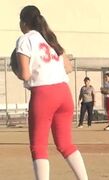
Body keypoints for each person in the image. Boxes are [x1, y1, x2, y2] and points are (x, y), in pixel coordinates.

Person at [14, 5, 88, 180]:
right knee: (65, 144)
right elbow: (68, 68)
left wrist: (15, 70)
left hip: (44, 94)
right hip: (64, 92)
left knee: (39, 146)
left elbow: (24, 74)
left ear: (24, 22)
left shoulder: (25, 39)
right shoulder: (50, 38)